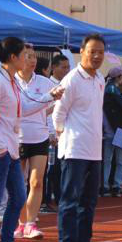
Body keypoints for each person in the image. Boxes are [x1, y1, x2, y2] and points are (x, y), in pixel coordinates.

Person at [0, 38, 55, 242]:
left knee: (19, 196)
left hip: (9, 149)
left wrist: (50, 97)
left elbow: (24, 110)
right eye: (24, 55)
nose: (29, 59)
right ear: (13, 57)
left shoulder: (10, 82)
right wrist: (0, 148)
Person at [53, 34, 109, 242]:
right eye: (92, 51)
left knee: (89, 200)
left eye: (100, 52)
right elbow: (59, 112)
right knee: (70, 199)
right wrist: (62, 135)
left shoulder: (100, 80)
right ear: (82, 52)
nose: (96, 56)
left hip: (94, 149)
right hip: (75, 149)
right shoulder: (72, 79)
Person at [16, 52, 58, 237]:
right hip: (16, 138)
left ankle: (31, 223)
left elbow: (58, 102)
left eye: (34, 57)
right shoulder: (11, 81)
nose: (32, 60)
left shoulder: (45, 82)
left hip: (39, 137)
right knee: (18, 184)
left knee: (37, 182)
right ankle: (19, 222)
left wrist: (48, 124)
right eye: (27, 57)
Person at [101, 65, 122, 197]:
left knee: (108, 160)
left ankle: (105, 185)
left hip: (111, 129)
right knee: (120, 160)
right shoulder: (112, 90)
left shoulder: (107, 88)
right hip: (118, 129)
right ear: (118, 77)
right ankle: (116, 185)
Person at [44, 52, 70, 211]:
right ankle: (45, 201)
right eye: (63, 67)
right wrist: (51, 133)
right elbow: (47, 112)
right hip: (50, 135)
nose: (66, 70)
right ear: (53, 68)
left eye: (68, 67)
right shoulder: (48, 85)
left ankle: (60, 200)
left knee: (59, 169)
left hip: (63, 135)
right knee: (49, 170)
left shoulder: (66, 85)